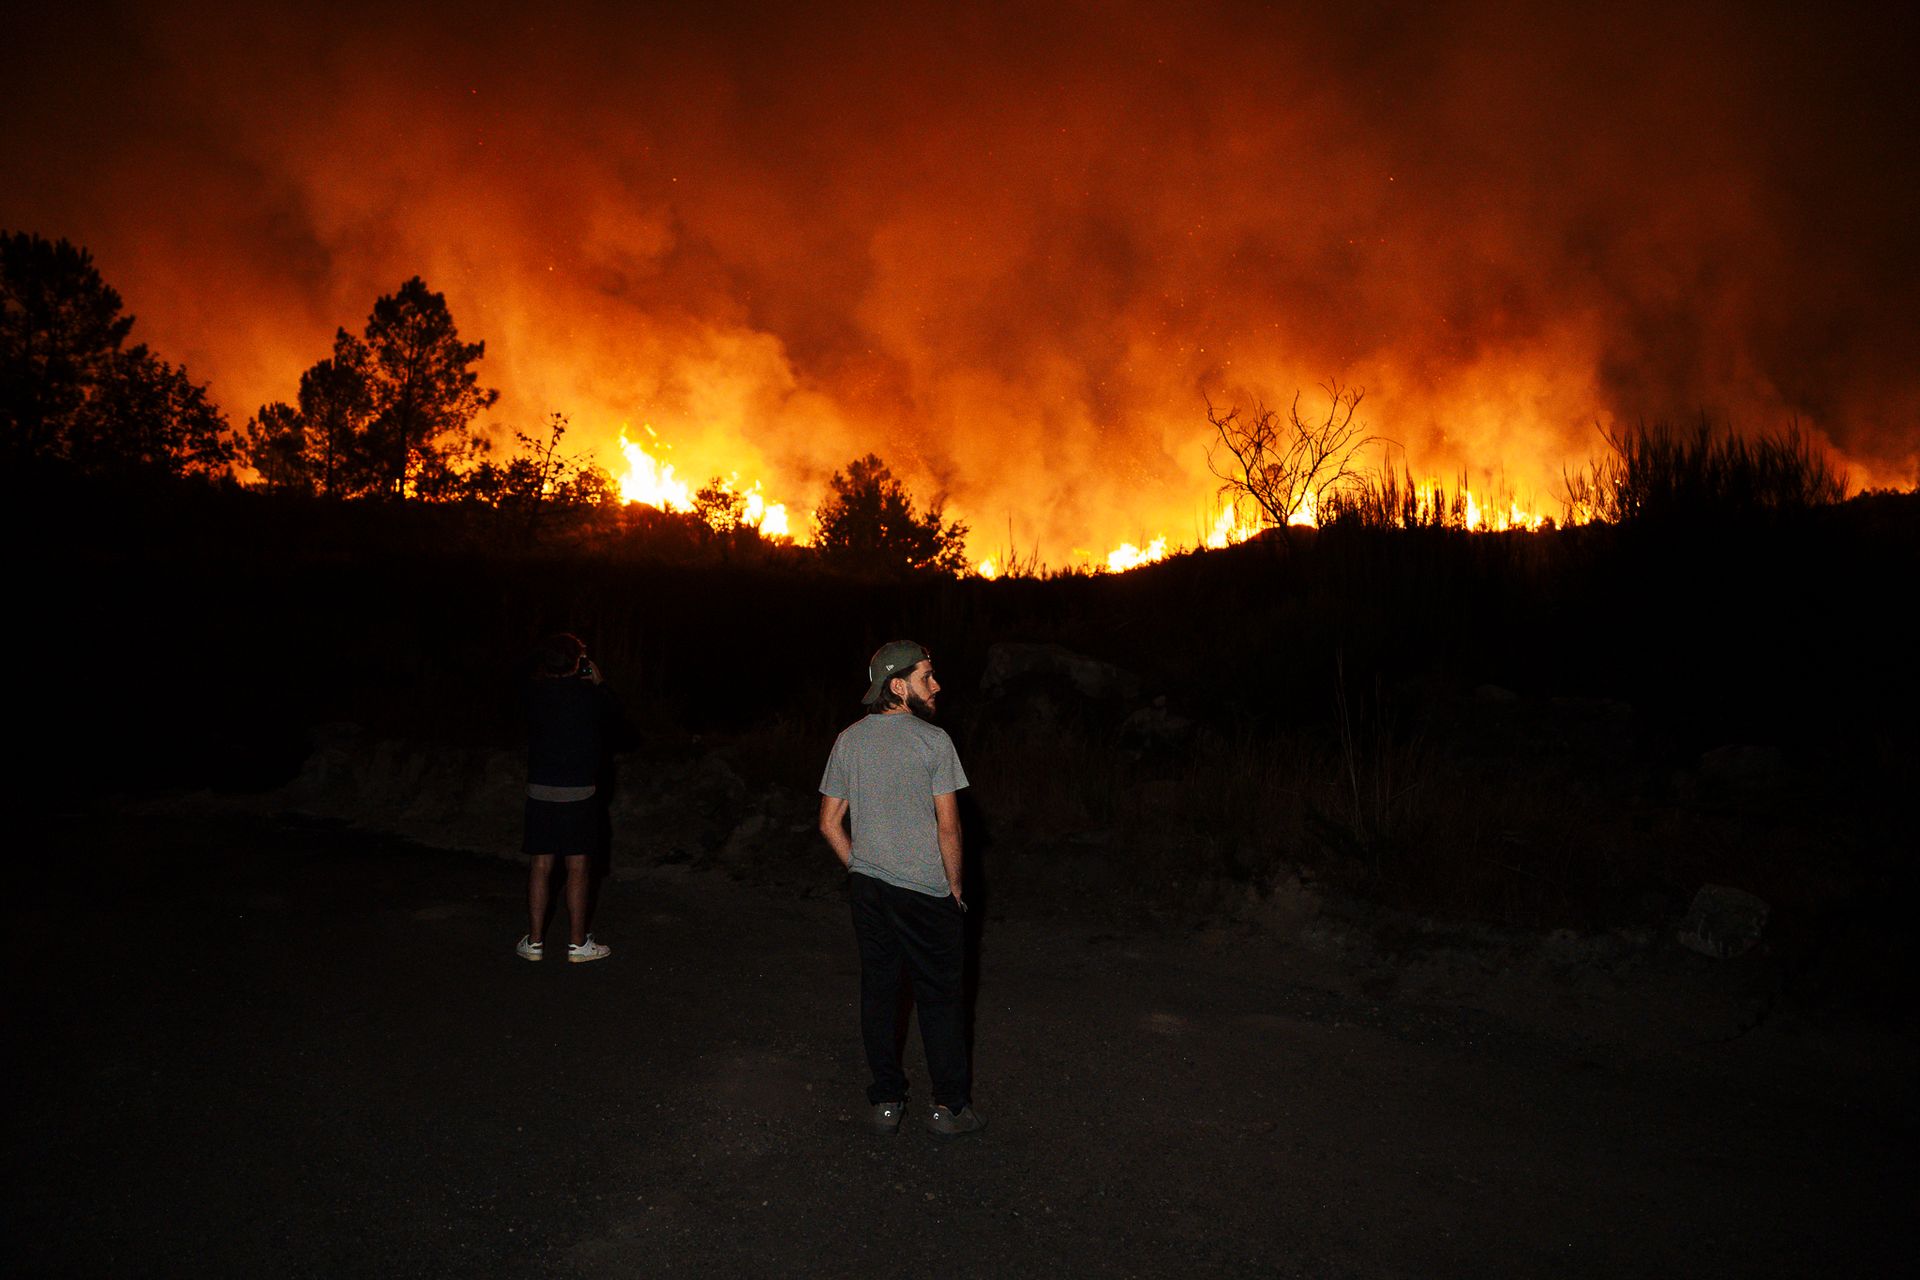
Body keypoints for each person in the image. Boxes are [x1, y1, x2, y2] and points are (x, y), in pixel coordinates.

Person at [818, 640, 984, 1136]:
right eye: (927, 676)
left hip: (869, 892)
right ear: (897, 685)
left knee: (879, 993)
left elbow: (828, 823)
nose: (936, 685)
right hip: (926, 894)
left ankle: (886, 1102)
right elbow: (949, 828)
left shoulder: (848, 740)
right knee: (940, 998)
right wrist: (954, 888)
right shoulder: (934, 743)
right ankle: (949, 1109)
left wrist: (862, 866)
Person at [516, 632, 614, 963]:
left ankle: (535, 942)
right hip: (578, 792)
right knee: (577, 866)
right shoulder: (589, 696)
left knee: (541, 864)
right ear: (578, 662)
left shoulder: (533, 694)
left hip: (541, 789)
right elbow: (618, 726)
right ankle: (577, 944)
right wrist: (599, 684)